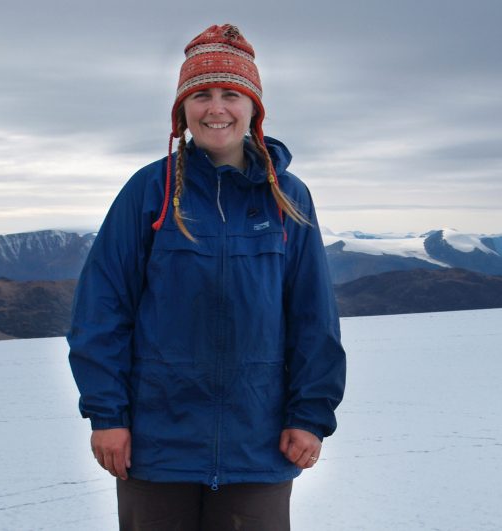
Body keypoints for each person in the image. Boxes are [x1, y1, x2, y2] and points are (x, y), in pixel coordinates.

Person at [68, 23, 346, 531]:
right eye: (201, 94)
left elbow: (314, 317)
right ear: (182, 109)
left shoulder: (287, 198)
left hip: (257, 440)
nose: (216, 108)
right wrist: (107, 416)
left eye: (230, 94)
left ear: (253, 108)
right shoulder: (149, 191)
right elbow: (102, 308)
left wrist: (310, 415)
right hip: (156, 441)